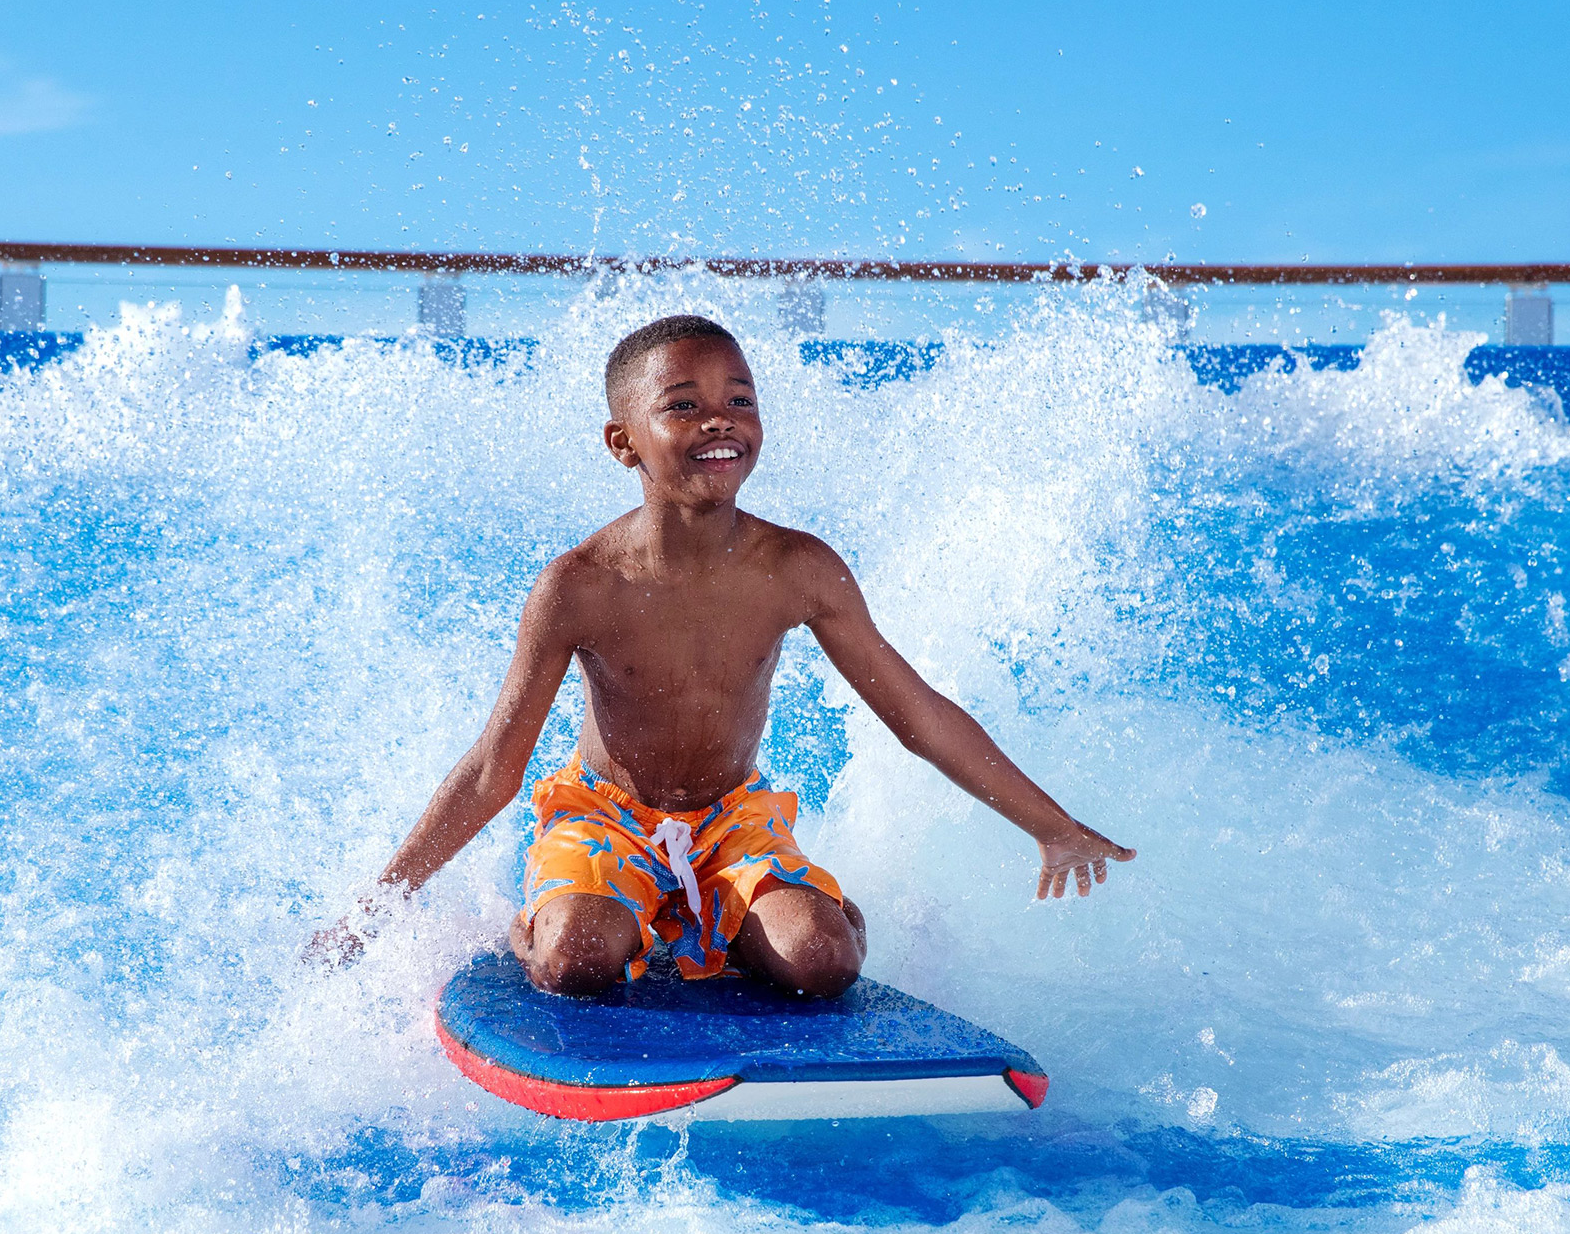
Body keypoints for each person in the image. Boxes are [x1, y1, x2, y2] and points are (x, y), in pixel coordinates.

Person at [312, 313, 1134, 998]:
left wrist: (1051, 827)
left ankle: (782, 912)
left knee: (822, 964)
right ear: (622, 440)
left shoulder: (797, 569)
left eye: (740, 400)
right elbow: (497, 767)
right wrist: (377, 907)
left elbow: (915, 714)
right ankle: (541, 917)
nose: (720, 419)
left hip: (732, 822)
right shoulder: (579, 587)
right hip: (606, 818)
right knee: (578, 962)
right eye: (684, 405)